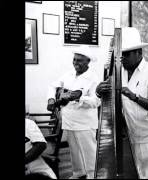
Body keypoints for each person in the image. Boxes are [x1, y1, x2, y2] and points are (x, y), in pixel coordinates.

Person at [96, 27, 148, 179]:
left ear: (139, 53)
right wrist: (98, 90)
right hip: (129, 135)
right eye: (120, 55)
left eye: (126, 55)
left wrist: (134, 97)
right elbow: (107, 97)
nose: (122, 59)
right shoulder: (120, 72)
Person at [46, 46, 100, 179]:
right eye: (74, 59)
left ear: (88, 61)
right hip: (69, 121)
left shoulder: (94, 79)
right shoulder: (69, 74)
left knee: (89, 154)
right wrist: (51, 98)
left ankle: (92, 176)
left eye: (80, 60)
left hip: (85, 124)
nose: (76, 63)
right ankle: (78, 173)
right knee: (74, 152)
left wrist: (78, 97)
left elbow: (96, 102)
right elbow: (53, 86)